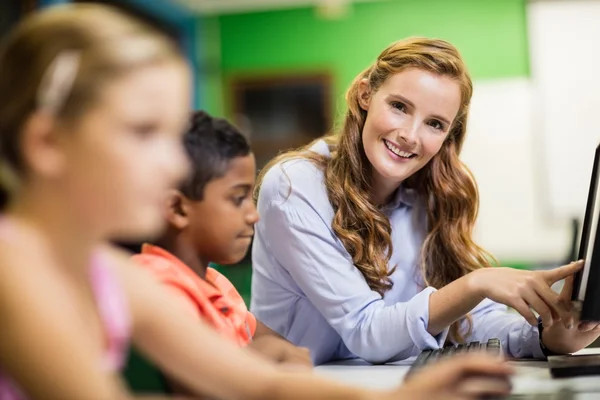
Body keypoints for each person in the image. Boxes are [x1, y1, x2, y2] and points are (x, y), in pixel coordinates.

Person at [0, 5, 513, 400]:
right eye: (142, 132)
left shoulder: (111, 273)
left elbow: (262, 385)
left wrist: (408, 392)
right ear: (47, 144)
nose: (175, 165)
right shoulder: (14, 271)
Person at [251, 36, 600, 365]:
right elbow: (365, 331)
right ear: (364, 95)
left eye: (434, 124)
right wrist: (476, 283)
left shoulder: (431, 197)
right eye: (399, 107)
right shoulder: (294, 186)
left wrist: (545, 337)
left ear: (448, 135)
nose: (410, 136)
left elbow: (469, 322)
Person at [132, 110, 311, 393]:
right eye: (238, 199)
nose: (253, 215)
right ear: (178, 209)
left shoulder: (215, 283)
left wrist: (275, 353)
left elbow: (285, 351)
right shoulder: (155, 284)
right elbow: (197, 386)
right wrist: (263, 357)